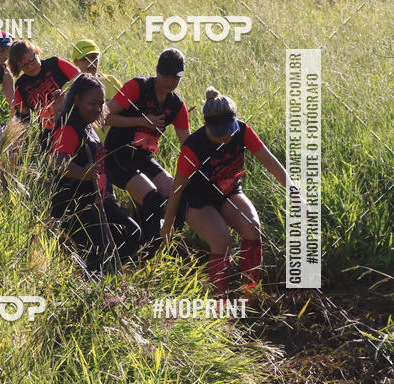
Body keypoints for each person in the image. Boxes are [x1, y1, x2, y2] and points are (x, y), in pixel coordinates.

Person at [161, 86, 291, 295]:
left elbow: (270, 161)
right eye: (220, 132)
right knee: (222, 240)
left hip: (228, 192)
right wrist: (167, 225)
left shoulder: (242, 131)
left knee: (252, 227)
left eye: (230, 129)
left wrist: (296, 195)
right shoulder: (193, 147)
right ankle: (221, 303)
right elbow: (177, 189)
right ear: (206, 125)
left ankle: (250, 293)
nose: (227, 136)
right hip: (197, 199)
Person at [51, 74, 141, 273]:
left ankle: (112, 277)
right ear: (77, 100)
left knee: (132, 232)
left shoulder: (87, 126)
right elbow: (58, 162)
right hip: (74, 205)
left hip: (96, 199)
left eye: (101, 103)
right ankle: (96, 288)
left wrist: (103, 193)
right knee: (97, 251)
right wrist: (82, 172)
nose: (98, 108)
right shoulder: (69, 127)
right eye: (92, 103)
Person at [104, 48, 190, 254]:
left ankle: (164, 248)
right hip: (116, 155)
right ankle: (146, 257)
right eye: (166, 76)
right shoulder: (137, 87)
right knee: (153, 200)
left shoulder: (176, 106)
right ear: (157, 70)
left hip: (142, 158)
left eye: (175, 77)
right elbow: (104, 116)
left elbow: (187, 144)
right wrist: (143, 121)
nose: (170, 82)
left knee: (177, 197)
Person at [9, 39, 79, 148]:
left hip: (74, 120)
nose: (30, 67)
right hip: (49, 135)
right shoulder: (20, 85)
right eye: (24, 65)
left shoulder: (55, 63)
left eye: (32, 60)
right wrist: (15, 147)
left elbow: (81, 79)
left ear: (36, 52)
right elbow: (23, 119)